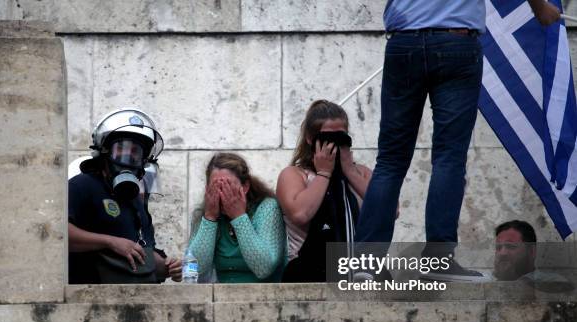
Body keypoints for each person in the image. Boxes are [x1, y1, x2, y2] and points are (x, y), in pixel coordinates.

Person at [355, 0, 561, 277]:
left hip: (403, 42)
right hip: (456, 42)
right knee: (449, 157)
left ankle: (367, 262)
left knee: (391, 159)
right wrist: (540, 8)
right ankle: (437, 259)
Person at [68, 108, 181, 284]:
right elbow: (58, 235)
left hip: (138, 301)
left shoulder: (136, 200)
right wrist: (110, 242)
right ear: (104, 151)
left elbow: (142, 254)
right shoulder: (82, 185)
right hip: (91, 300)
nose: (128, 156)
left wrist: (168, 267)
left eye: (136, 152)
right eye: (121, 148)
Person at [276, 100, 376, 282]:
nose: (334, 145)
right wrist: (323, 173)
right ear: (310, 138)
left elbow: (390, 211)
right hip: (309, 271)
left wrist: (350, 172)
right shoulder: (294, 175)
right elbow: (300, 214)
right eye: (327, 138)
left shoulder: (362, 173)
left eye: (341, 137)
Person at [189, 153, 285, 283]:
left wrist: (239, 217)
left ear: (245, 187)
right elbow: (194, 271)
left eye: (228, 186)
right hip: (221, 297)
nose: (222, 194)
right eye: (216, 187)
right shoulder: (203, 214)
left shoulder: (267, 208)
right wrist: (210, 218)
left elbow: (264, 268)